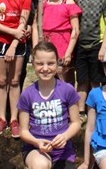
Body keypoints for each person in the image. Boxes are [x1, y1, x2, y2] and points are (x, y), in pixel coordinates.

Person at [18, 41, 81, 169]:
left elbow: (76, 122)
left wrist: (64, 136)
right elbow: (23, 131)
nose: (45, 68)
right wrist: (36, 142)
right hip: (36, 150)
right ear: (33, 63)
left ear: (57, 62)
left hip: (63, 152)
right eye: (40, 64)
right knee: (40, 165)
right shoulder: (27, 94)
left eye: (50, 63)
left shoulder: (67, 89)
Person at [73, 0, 106, 121]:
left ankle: (96, 110)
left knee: (96, 81)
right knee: (82, 80)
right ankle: (80, 112)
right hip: (81, 45)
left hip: (97, 44)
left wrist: (104, 47)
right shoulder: (77, 0)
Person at [32, 0, 82, 86]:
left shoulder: (69, 3)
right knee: (46, 76)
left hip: (62, 46)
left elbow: (75, 30)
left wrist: (68, 53)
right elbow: (35, 25)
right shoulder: (43, 3)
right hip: (45, 44)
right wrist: (35, 47)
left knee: (64, 79)